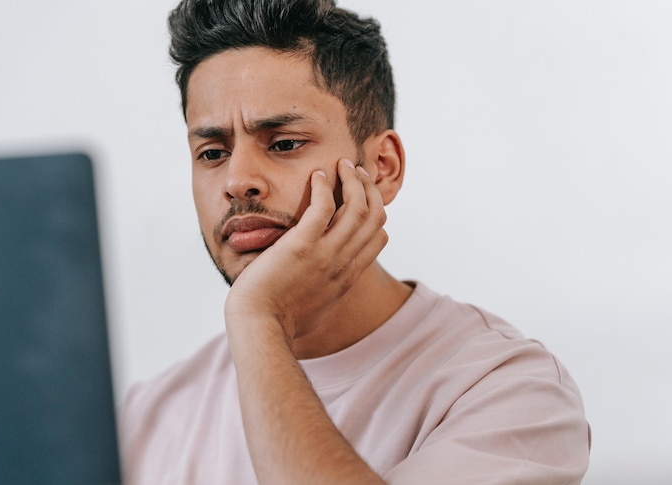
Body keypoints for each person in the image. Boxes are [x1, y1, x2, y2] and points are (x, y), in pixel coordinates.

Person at [121, 0, 591, 483]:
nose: (237, 181)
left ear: (382, 167)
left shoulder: (507, 393)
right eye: (212, 152)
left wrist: (260, 317)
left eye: (284, 143)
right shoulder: (146, 421)